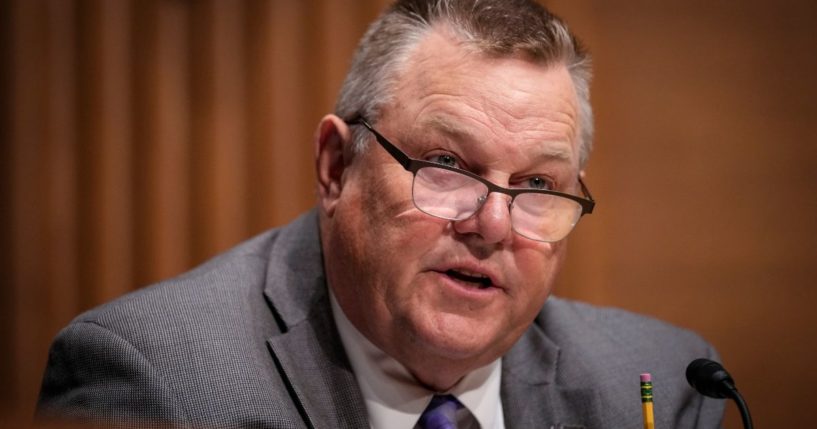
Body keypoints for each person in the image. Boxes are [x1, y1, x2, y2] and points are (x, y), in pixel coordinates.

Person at [37, 0, 725, 428]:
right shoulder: (156, 382)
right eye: (448, 166)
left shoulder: (666, 383)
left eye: (536, 182)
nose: (490, 223)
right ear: (336, 166)